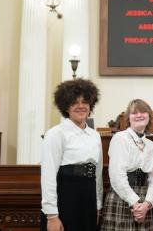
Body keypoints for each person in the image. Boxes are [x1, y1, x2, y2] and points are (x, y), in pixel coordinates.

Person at [40, 78, 103, 231]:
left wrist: (97, 206)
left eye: (85, 102)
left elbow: (98, 174)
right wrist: (52, 216)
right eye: (75, 102)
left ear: (91, 105)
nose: (81, 106)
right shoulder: (56, 134)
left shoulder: (95, 135)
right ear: (66, 107)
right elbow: (48, 176)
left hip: (88, 200)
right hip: (65, 198)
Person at [101, 99, 153, 230]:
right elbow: (117, 176)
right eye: (134, 113)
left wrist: (147, 204)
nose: (139, 115)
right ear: (128, 117)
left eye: (143, 112)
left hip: (144, 201)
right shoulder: (120, 138)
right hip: (122, 197)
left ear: (149, 116)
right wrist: (135, 203)